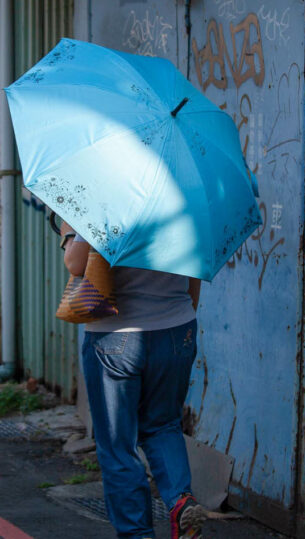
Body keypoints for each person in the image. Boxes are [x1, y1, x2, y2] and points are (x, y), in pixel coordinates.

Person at [62, 222, 205, 539]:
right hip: (177, 328)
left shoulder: (108, 198)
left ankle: (137, 534)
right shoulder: (183, 199)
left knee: (117, 444)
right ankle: (181, 500)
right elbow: (196, 272)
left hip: (115, 334)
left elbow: (75, 263)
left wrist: (70, 232)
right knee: (163, 425)